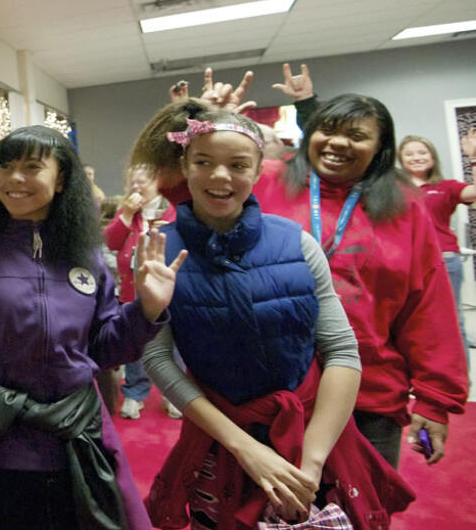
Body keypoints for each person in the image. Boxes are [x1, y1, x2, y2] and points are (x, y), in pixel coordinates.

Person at [130, 89, 469, 469]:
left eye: (356, 136)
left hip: (370, 393)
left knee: (351, 515)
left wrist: (435, 397)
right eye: (328, 130)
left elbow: (429, 306)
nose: (338, 142)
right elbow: (184, 184)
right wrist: (214, 126)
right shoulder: (270, 178)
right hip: (271, 394)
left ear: (380, 148)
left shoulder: (404, 204)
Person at [141, 111, 413, 530]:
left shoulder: (296, 241)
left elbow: (340, 349)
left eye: (237, 165)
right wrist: (243, 447)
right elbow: (157, 359)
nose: (220, 176)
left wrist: (313, 460)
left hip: (311, 432)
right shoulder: (157, 249)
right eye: (203, 161)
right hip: (219, 437)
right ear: (184, 165)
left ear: (256, 170)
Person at [0, 125, 185, 530]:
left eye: (32, 167)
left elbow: (105, 348)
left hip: (78, 435)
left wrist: (147, 310)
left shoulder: (84, 251)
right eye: (6, 166)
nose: (15, 179)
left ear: (61, 180)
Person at [104, 165, 179, 420]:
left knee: (174, 344)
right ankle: (135, 394)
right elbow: (112, 241)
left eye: (142, 182)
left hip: (171, 288)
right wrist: (125, 214)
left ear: (157, 182)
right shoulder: (128, 213)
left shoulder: (173, 209)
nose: (136, 188)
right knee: (135, 343)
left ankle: (174, 395)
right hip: (132, 288)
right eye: (132, 183)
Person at [399, 133, 476, 356]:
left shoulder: (447, 187)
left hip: (445, 260)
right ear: (401, 159)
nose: (416, 157)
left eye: (422, 152)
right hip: (407, 263)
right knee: (413, 323)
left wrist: (474, 157)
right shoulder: (393, 189)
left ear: (432, 157)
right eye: (409, 153)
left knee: (451, 321)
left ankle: (460, 382)